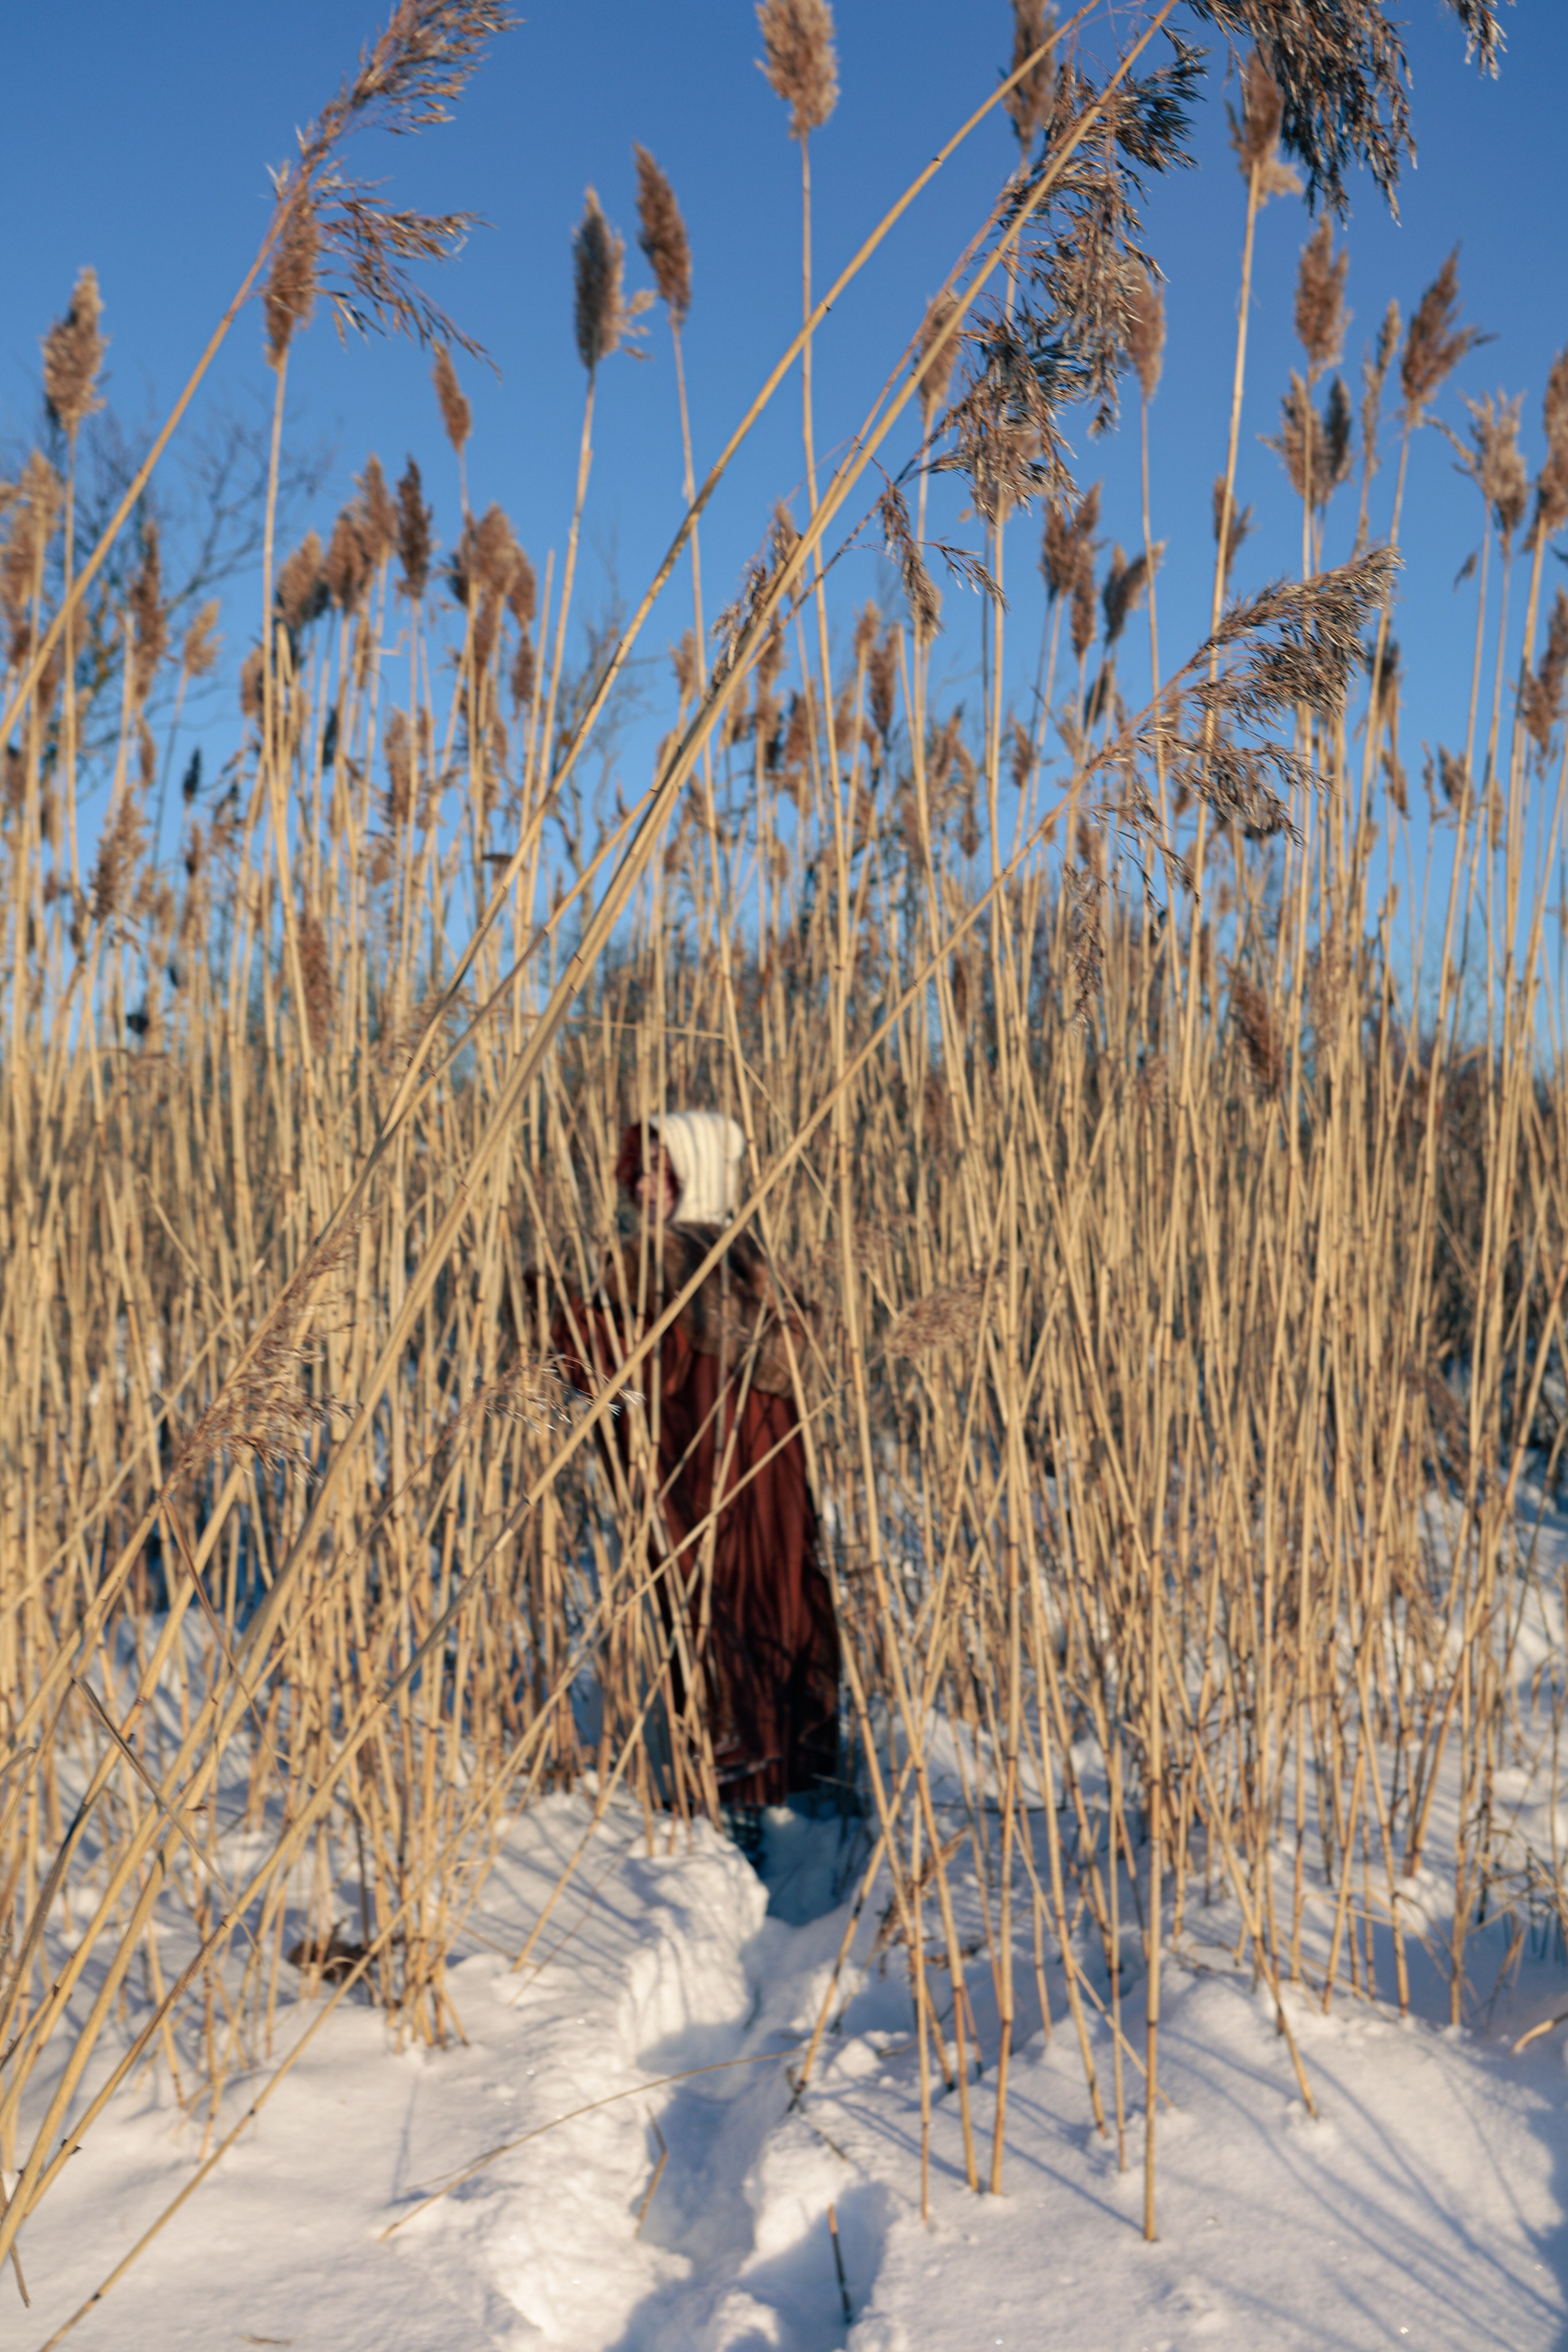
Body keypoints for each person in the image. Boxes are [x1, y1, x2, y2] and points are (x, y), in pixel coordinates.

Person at [548, 1110, 840, 1852]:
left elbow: (635, 1382)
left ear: (696, 1174)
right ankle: (791, 1792)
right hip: (768, 1490)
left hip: (701, 1484)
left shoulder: (659, 1259)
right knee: (770, 1618)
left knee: (706, 1627)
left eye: (663, 1170)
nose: (644, 1184)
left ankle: (726, 1815)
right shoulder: (751, 1258)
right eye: (640, 1168)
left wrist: (560, 1325)